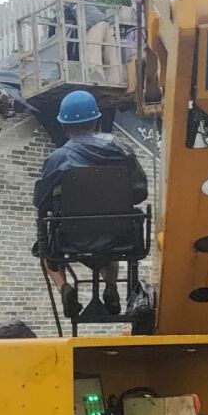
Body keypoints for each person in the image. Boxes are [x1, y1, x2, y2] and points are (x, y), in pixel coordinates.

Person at [33, 89, 148, 319]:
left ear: (64, 126)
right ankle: (111, 286)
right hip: (119, 237)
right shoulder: (122, 151)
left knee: (44, 245)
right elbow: (140, 192)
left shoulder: (57, 159)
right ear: (96, 121)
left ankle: (64, 288)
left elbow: (41, 202)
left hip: (69, 239)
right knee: (111, 236)